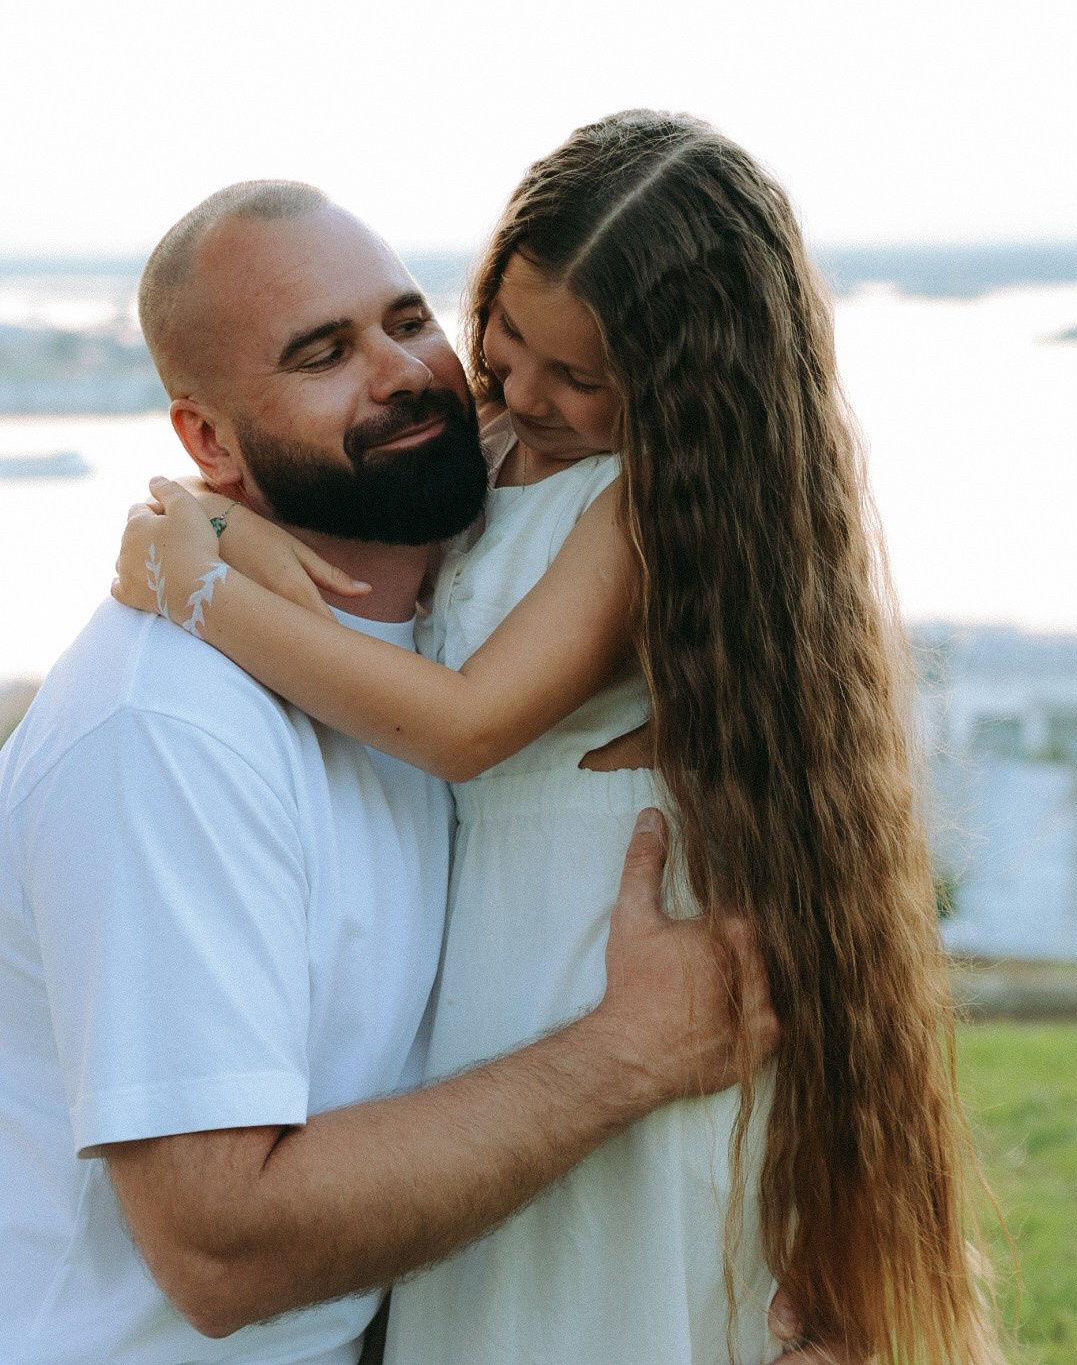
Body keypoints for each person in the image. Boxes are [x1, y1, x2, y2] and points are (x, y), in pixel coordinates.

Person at [114, 115, 1003, 1365]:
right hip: (502, 1008)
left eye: (579, 379)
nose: (526, 394)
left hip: (600, 959)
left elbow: (464, 725)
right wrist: (222, 532)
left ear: (685, 390)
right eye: (505, 342)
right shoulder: (502, 448)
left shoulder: (639, 507)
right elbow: (352, 538)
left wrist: (202, 595)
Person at [0, 181, 786, 1365]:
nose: (406, 374)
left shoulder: (439, 645)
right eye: (321, 354)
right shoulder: (168, 728)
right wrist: (634, 1049)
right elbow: (225, 1250)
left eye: (409, 321)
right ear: (208, 441)